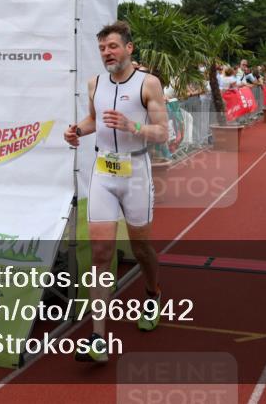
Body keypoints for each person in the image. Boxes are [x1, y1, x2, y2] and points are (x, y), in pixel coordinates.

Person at [64, 21, 168, 363]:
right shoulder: (95, 83)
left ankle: (152, 292)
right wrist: (77, 130)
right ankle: (97, 337)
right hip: (103, 173)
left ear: (128, 48)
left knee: (141, 248)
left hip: (136, 172)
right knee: (100, 252)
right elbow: (94, 120)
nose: (107, 53)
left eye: (112, 46)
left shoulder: (147, 84)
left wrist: (132, 125)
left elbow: (163, 133)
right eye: (102, 49)